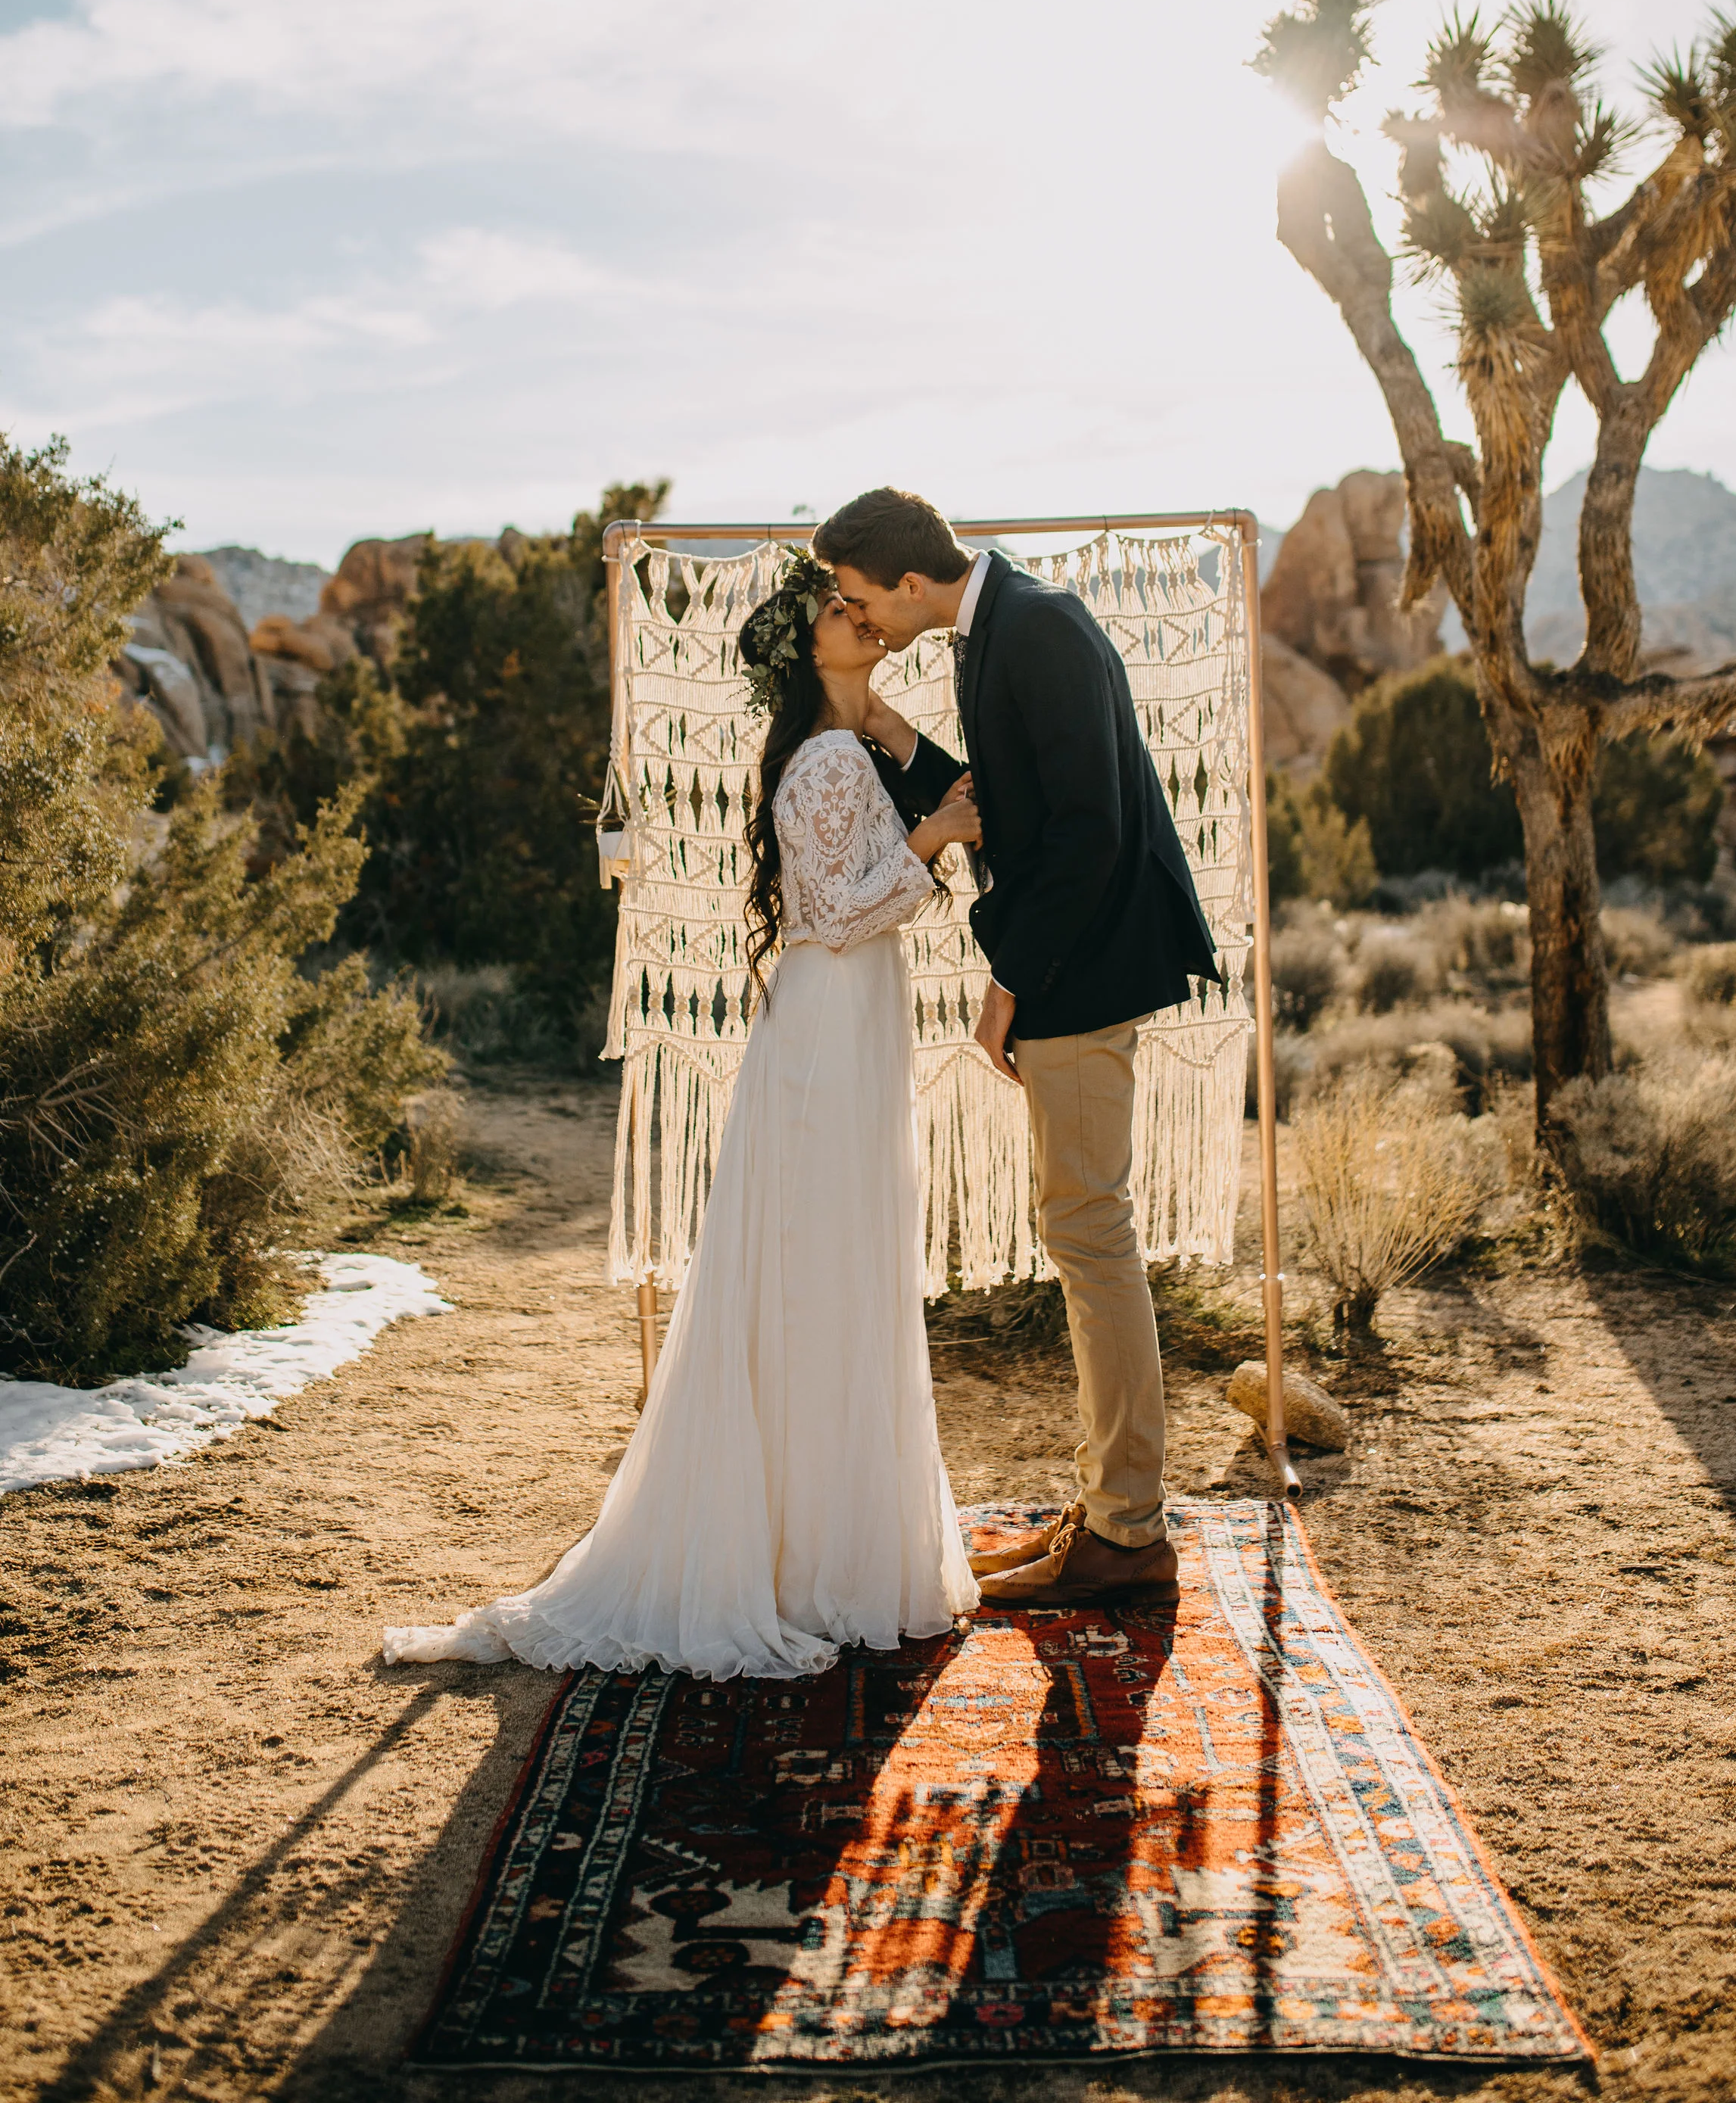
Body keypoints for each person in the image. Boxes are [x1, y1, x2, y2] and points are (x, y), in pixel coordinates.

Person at [382, 553, 983, 1681]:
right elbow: (828, 914)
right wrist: (933, 841)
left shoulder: (858, 743)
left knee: (846, 1272)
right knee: (812, 1276)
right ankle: (809, 1565)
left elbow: (893, 836)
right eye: (841, 613)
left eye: (860, 604)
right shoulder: (822, 762)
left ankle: (835, 1551)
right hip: (822, 1033)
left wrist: (909, 765)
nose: (862, 618)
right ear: (808, 649)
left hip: (849, 1026)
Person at [816, 487, 1221, 1612]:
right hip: (1076, 964)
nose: (859, 618)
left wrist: (1007, 985)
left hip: (1086, 970)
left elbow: (1089, 834)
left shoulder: (1036, 627)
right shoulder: (1003, 627)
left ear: (907, 581)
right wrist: (896, 735)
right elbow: (1008, 808)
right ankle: (1108, 1508)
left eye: (859, 598)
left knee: (1092, 1236)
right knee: (1085, 1231)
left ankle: (1129, 1531)